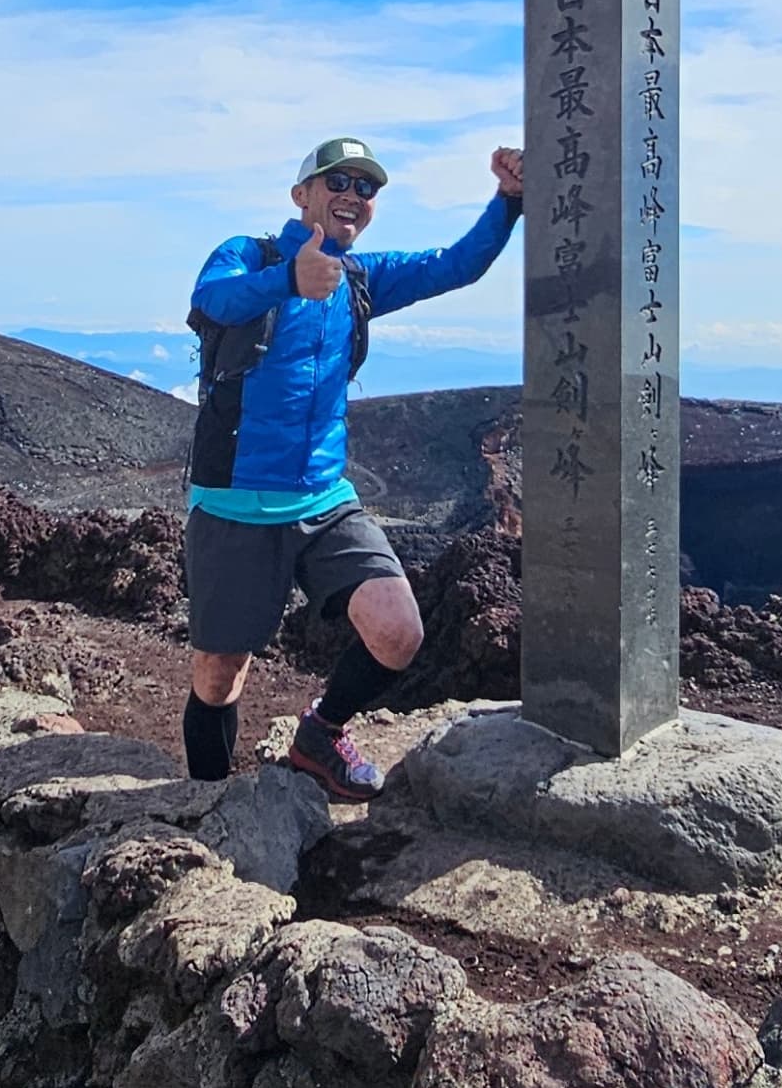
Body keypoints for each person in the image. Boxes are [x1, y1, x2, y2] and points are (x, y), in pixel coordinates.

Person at [181, 134, 525, 799]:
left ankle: (320, 734)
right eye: (337, 182)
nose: (353, 197)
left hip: (324, 500)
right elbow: (212, 301)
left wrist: (507, 203)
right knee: (221, 670)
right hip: (234, 502)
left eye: (366, 188)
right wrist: (289, 279)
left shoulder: (360, 279)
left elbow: (455, 265)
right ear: (301, 194)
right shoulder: (247, 256)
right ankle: (208, 802)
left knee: (399, 632)